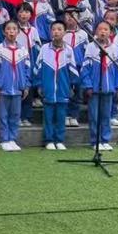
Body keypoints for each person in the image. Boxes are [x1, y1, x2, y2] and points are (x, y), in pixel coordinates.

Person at [34, 21, 79, 150]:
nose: (56, 32)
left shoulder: (69, 50)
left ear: (65, 32)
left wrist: (72, 86)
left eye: (59, 29)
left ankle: (59, 140)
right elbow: (38, 68)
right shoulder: (44, 48)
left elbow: (73, 70)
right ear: (50, 32)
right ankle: (49, 140)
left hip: (63, 88)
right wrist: (39, 85)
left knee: (61, 116)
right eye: (53, 29)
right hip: (48, 88)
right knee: (48, 116)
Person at [81, 21, 118, 151]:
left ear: (110, 32)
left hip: (109, 88)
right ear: (95, 32)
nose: (103, 32)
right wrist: (88, 86)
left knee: (106, 115)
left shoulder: (114, 48)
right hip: (94, 88)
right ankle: (95, 141)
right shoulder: (91, 47)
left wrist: (116, 86)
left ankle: (105, 140)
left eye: (106, 29)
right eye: (100, 29)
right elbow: (85, 69)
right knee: (94, 116)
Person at [0, 20, 30, 152]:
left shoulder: (23, 50)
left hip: (18, 89)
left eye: (14, 29)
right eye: (8, 29)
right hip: (3, 89)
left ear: (18, 32)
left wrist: (26, 85)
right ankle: (4, 139)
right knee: (3, 115)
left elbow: (27, 69)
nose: (11, 31)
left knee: (15, 114)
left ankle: (12, 138)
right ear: (4, 32)